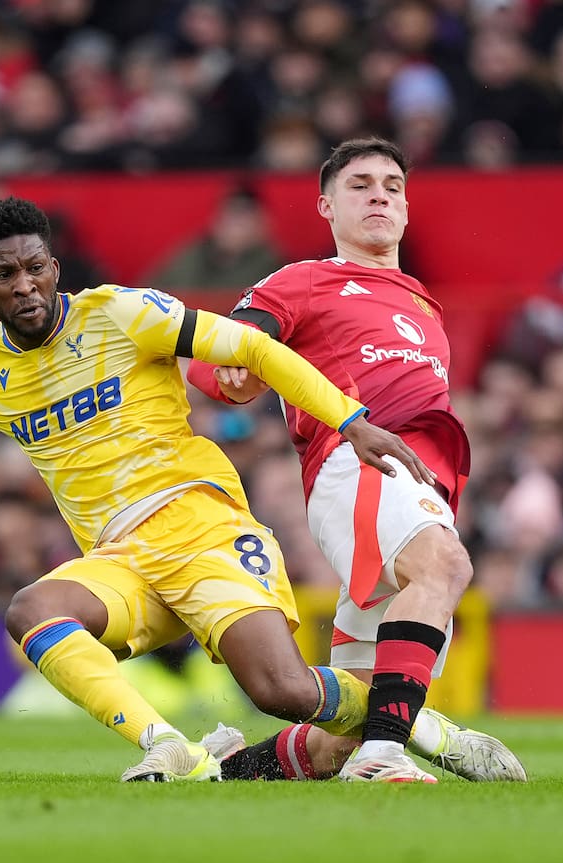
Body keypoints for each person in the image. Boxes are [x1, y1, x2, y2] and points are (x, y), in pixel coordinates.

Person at [0, 195, 434, 783]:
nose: (24, 286)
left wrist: (350, 422)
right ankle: (170, 747)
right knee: (31, 610)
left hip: (202, 529)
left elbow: (251, 349)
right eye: (4, 275)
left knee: (281, 692)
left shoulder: (124, 314)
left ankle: (422, 729)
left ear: (54, 268)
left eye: (34, 268)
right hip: (120, 562)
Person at [187, 137, 527, 783]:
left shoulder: (422, 301)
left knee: (345, 727)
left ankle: (219, 769)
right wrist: (232, 368)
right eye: (361, 184)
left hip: (417, 479)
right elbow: (224, 346)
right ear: (326, 206)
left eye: (393, 186)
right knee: (445, 565)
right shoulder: (303, 280)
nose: (380, 195)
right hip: (360, 461)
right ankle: (389, 754)